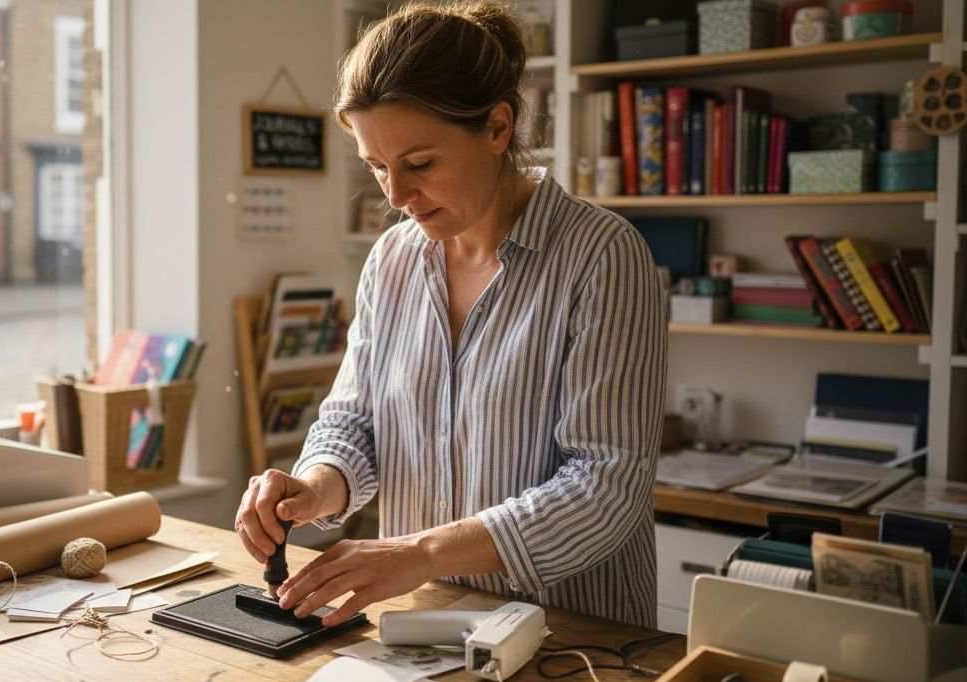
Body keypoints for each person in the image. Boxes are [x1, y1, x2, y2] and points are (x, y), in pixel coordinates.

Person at [234, 0, 666, 629]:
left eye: (420, 164)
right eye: (377, 167)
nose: (396, 197)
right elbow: (355, 422)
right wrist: (316, 486)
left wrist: (419, 553)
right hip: (421, 625)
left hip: (574, 638)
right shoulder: (392, 260)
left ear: (497, 128)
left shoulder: (602, 256)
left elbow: (605, 488)